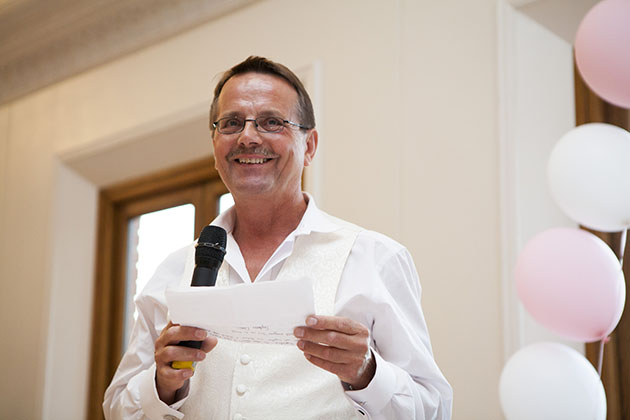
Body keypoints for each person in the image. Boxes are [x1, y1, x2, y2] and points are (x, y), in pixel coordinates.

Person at [103, 56, 452, 420]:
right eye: (231, 123)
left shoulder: (374, 258)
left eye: (271, 122)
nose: (248, 137)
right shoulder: (172, 270)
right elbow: (115, 409)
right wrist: (161, 384)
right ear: (215, 145)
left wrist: (367, 372)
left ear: (310, 146)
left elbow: (435, 410)